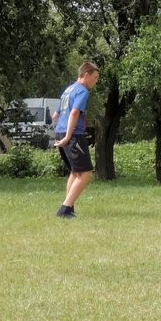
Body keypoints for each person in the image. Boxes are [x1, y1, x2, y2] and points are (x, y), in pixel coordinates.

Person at [52, 62, 99, 219]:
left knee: (76, 171)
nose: (96, 81)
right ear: (86, 75)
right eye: (95, 77)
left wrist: (60, 132)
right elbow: (74, 113)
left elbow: (55, 115)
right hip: (73, 136)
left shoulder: (68, 90)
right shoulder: (82, 91)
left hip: (61, 132)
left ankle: (69, 208)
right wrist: (68, 136)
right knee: (86, 173)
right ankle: (65, 209)